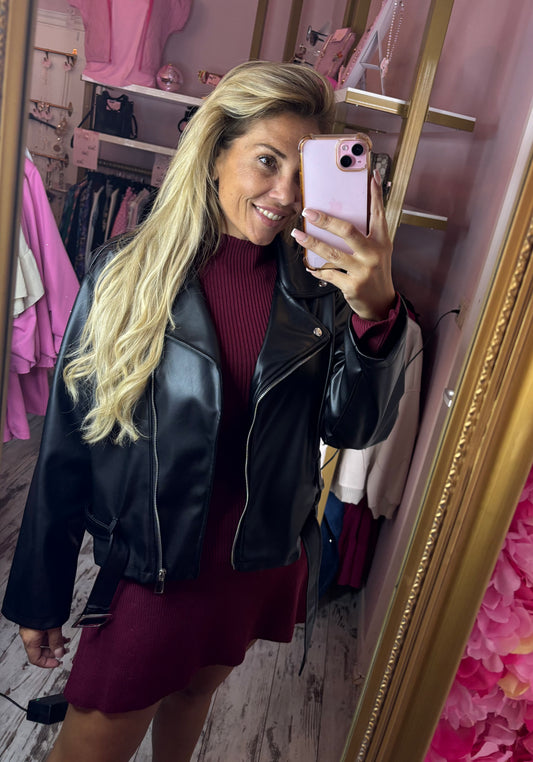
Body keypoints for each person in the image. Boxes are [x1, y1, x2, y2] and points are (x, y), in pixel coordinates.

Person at [2, 60, 407, 762]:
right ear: (216, 153)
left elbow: (353, 428)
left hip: (253, 565)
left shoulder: (320, 295)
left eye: (302, 174)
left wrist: (376, 315)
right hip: (153, 578)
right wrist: (41, 588)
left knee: (194, 696)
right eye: (267, 161)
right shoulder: (126, 274)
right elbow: (69, 442)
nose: (285, 194)